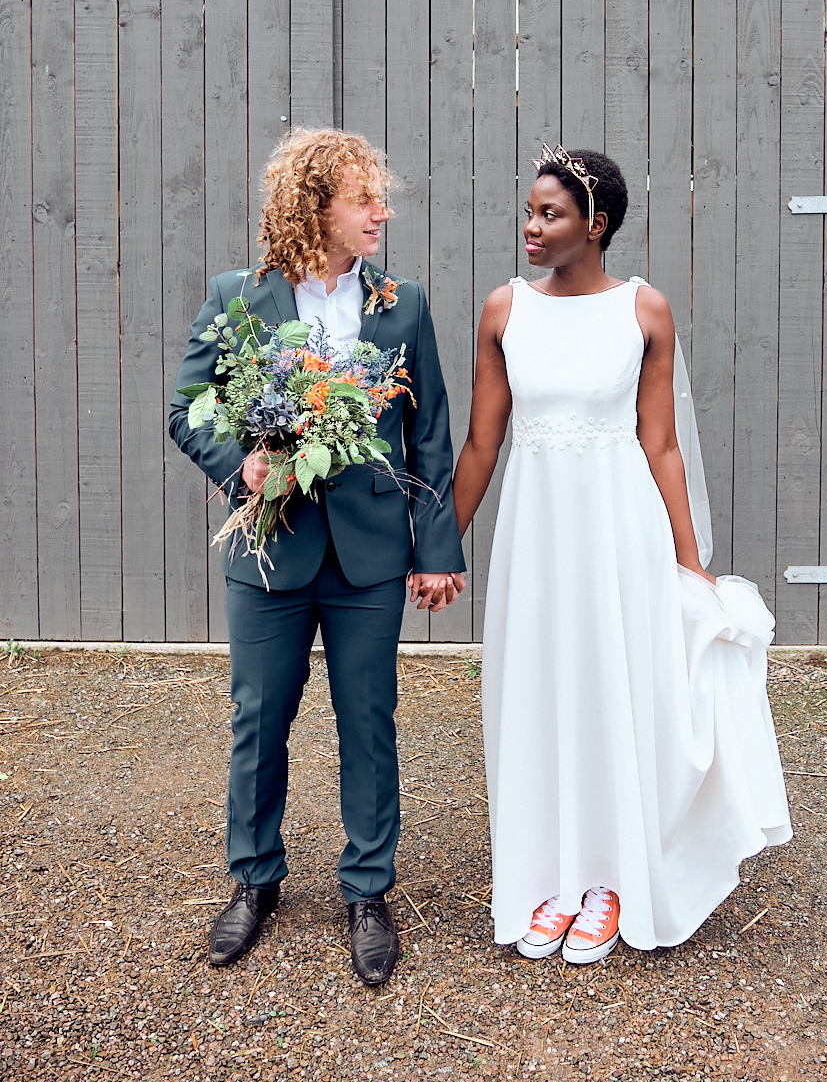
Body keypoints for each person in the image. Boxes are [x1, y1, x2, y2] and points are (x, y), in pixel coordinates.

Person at [452, 145, 791, 964]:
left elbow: (662, 444)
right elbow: (480, 443)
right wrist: (437, 548)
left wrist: (689, 561)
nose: (532, 227)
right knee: (536, 691)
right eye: (530, 211)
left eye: (551, 214)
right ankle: (544, 879)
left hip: (621, 536)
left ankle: (607, 882)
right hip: (536, 541)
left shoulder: (644, 311)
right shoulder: (504, 312)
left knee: (617, 693)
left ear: (596, 225)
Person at [169, 128, 466, 983]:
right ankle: (254, 880)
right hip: (272, 551)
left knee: (369, 723)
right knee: (259, 721)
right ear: (313, 206)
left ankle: (369, 890)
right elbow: (189, 410)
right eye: (363, 197)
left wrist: (434, 549)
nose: (382, 211)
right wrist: (242, 466)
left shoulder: (401, 304)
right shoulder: (238, 297)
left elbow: (431, 435)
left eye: (382, 195)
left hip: (370, 556)